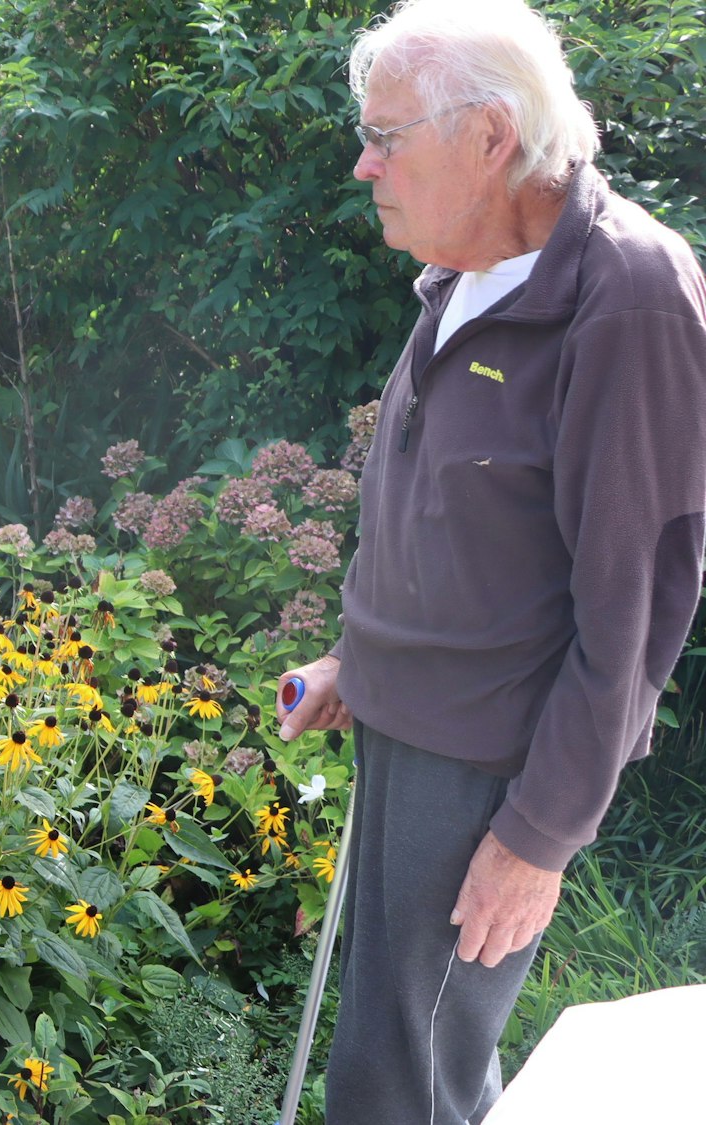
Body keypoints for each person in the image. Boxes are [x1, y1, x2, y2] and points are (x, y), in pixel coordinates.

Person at [277, 1, 706, 1121]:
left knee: (395, 1084)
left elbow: (635, 605)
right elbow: (453, 525)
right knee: (402, 1058)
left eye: (384, 133)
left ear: (485, 136)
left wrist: (535, 837)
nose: (362, 160)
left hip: (486, 767)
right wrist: (351, 661)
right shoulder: (465, 269)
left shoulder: (626, 296)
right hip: (403, 731)